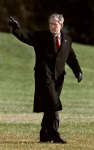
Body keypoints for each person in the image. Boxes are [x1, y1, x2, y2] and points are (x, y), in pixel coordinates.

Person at [9, 13, 83, 144]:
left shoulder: (67, 39)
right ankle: (54, 134)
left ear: (61, 25)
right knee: (54, 104)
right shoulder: (41, 36)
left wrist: (78, 72)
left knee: (50, 106)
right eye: (50, 24)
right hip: (44, 76)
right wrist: (16, 29)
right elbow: (25, 37)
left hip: (59, 78)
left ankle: (44, 134)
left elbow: (71, 57)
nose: (52, 26)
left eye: (55, 24)